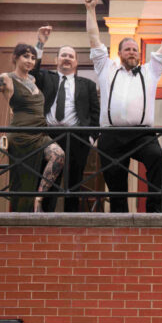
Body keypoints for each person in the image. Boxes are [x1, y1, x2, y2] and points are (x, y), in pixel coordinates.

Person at [86, 0, 162, 213]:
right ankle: (120, 219)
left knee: (157, 157)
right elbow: (93, 37)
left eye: (135, 49)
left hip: (142, 134)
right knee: (115, 182)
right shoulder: (106, 68)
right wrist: (90, 9)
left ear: (139, 54)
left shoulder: (150, 71)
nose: (132, 52)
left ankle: (155, 210)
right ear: (119, 53)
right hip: (111, 135)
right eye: (127, 49)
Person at [0, 44, 64, 213]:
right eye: (26, 56)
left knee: (58, 155)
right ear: (15, 57)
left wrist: (41, 42)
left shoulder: (33, 80)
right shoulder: (5, 79)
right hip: (20, 136)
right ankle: (20, 217)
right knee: (22, 181)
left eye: (32, 57)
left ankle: (39, 198)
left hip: (39, 133)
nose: (30, 61)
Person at [31, 26, 100, 212]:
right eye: (63, 55)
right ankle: (43, 218)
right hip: (49, 135)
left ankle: (71, 223)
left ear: (76, 62)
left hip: (78, 137)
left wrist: (91, 138)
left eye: (71, 56)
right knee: (48, 179)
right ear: (56, 60)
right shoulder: (46, 78)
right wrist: (40, 43)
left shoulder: (88, 85)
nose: (67, 58)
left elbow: (96, 114)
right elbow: (32, 72)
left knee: (74, 182)